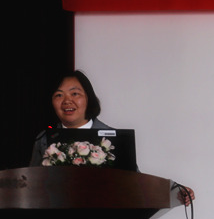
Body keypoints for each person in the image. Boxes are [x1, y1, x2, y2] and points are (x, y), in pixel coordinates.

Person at [30, 70, 195, 205]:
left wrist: (174, 191)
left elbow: (136, 181)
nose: (67, 101)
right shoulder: (44, 139)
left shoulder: (114, 139)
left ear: (88, 98)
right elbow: (32, 186)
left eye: (75, 93)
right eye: (59, 95)